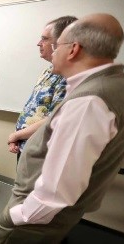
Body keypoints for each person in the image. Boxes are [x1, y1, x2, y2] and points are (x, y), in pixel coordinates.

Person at [0, 14, 124, 243]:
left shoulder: (89, 101)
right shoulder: (118, 84)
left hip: (33, 223)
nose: (50, 50)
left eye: (56, 44)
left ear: (73, 49)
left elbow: (56, 193)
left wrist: (16, 217)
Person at [8, 16, 77, 161]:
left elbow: (53, 119)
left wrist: (17, 135)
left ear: (59, 43)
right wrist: (19, 136)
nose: (39, 43)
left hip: (42, 151)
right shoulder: (48, 71)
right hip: (26, 144)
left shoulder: (67, 77)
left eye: (44, 39)